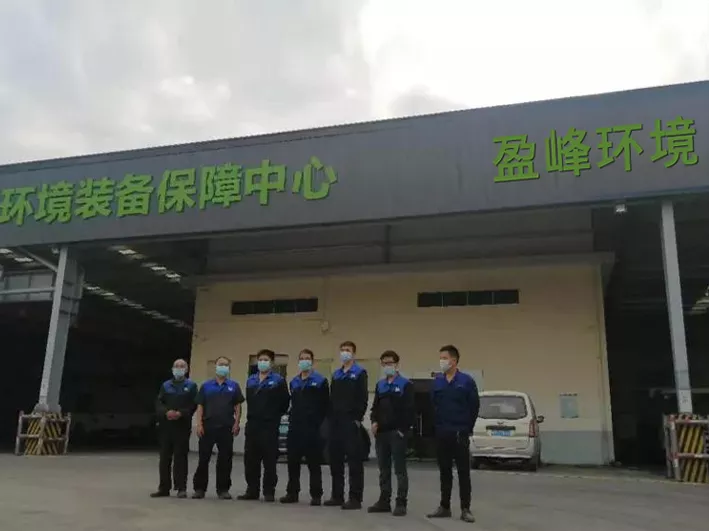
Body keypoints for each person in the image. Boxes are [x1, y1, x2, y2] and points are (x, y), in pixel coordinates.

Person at [427, 345, 480, 523]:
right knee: (444, 471)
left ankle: (465, 508)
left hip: (460, 433)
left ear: (454, 360)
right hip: (442, 432)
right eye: (440, 358)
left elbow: (474, 407)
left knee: (463, 472)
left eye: (444, 358)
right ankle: (444, 506)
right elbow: (432, 406)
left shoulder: (466, 381)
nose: (441, 361)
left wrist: (466, 428)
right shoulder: (437, 382)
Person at [238, 349, 290, 502]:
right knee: (250, 459)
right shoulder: (251, 380)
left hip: (270, 425)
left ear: (272, 363)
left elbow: (284, 402)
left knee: (269, 459)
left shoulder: (278, 381)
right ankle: (252, 490)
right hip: (253, 424)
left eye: (266, 360)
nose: (262, 362)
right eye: (260, 360)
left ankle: (269, 491)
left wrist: (273, 415)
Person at [368, 350, 415, 516]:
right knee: (384, 469)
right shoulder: (380, 385)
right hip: (382, 434)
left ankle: (401, 502)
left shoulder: (405, 384)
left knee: (400, 469)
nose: (387, 366)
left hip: (397, 433)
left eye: (390, 363)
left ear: (397, 365)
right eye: (385, 363)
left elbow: (410, 410)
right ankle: (384, 501)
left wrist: (403, 430)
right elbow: (375, 408)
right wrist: (374, 421)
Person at [280, 349, 329, 506]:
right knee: (293, 462)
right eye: (301, 358)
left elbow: (325, 405)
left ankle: (316, 495)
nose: (304, 361)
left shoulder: (320, 381)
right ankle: (292, 493)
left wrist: (319, 425)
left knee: (313, 463)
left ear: (312, 362)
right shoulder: (294, 382)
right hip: (295, 427)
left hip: (312, 428)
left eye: (307, 358)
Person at [192, 356, 244, 500]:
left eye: (226, 365)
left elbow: (238, 406)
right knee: (203, 459)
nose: (223, 367)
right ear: (215, 366)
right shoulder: (206, 386)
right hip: (208, 427)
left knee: (225, 460)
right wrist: (199, 424)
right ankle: (199, 489)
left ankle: (223, 489)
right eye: (221, 364)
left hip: (226, 427)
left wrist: (236, 423)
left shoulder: (234, 386)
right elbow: (200, 405)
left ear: (229, 368)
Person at [325, 340, 368, 510]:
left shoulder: (359, 373)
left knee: (354, 460)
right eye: (342, 350)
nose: (345, 352)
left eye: (348, 350)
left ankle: (355, 498)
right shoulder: (336, 374)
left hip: (350, 421)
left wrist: (357, 418)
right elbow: (331, 398)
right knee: (335, 459)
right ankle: (337, 495)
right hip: (335, 421)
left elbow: (362, 398)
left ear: (354, 353)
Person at [151, 358, 198, 499]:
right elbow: (159, 402)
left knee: (180, 457)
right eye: (176, 366)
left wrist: (181, 413)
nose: (179, 368)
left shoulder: (191, 386)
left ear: (187, 369)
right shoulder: (166, 385)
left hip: (182, 426)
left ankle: (181, 488)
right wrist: (166, 412)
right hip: (166, 426)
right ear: (172, 369)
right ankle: (163, 488)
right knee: (164, 457)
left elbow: (194, 404)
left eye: (182, 366)